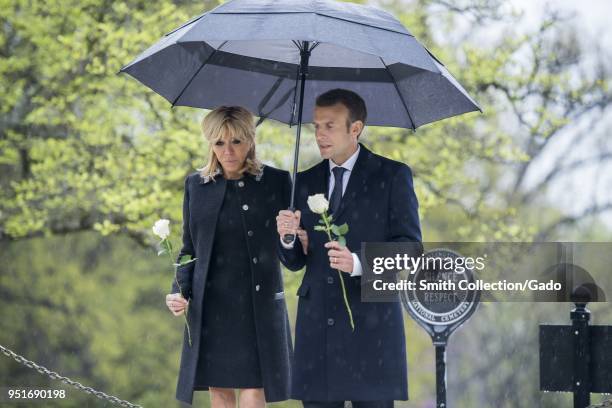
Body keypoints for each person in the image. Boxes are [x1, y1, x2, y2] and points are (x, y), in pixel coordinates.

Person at [276, 89, 421, 408]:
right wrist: (288, 238)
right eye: (316, 126)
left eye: (329, 125)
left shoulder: (393, 175)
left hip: (372, 332)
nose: (320, 135)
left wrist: (357, 262)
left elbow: (411, 248)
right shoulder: (304, 181)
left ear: (355, 128)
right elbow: (296, 261)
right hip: (318, 333)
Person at [166, 106, 292, 407]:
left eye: (236, 141)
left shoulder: (276, 182)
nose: (228, 150)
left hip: (257, 304)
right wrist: (178, 292)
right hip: (212, 305)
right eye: (219, 142)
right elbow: (189, 250)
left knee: (254, 386)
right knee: (219, 389)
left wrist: (289, 234)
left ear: (250, 140)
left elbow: (293, 252)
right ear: (210, 143)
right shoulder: (196, 186)